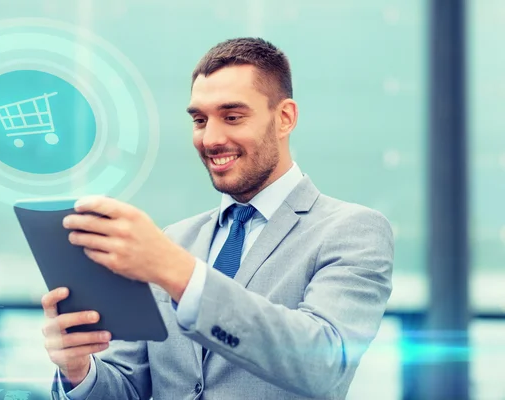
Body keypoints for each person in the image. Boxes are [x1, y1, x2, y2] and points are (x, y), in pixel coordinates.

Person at [41, 37, 394, 400]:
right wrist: (78, 370)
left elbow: (324, 365)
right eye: (199, 120)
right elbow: (127, 387)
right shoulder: (174, 240)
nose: (210, 139)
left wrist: (179, 274)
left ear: (284, 117)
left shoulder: (352, 231)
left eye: (232, 117)